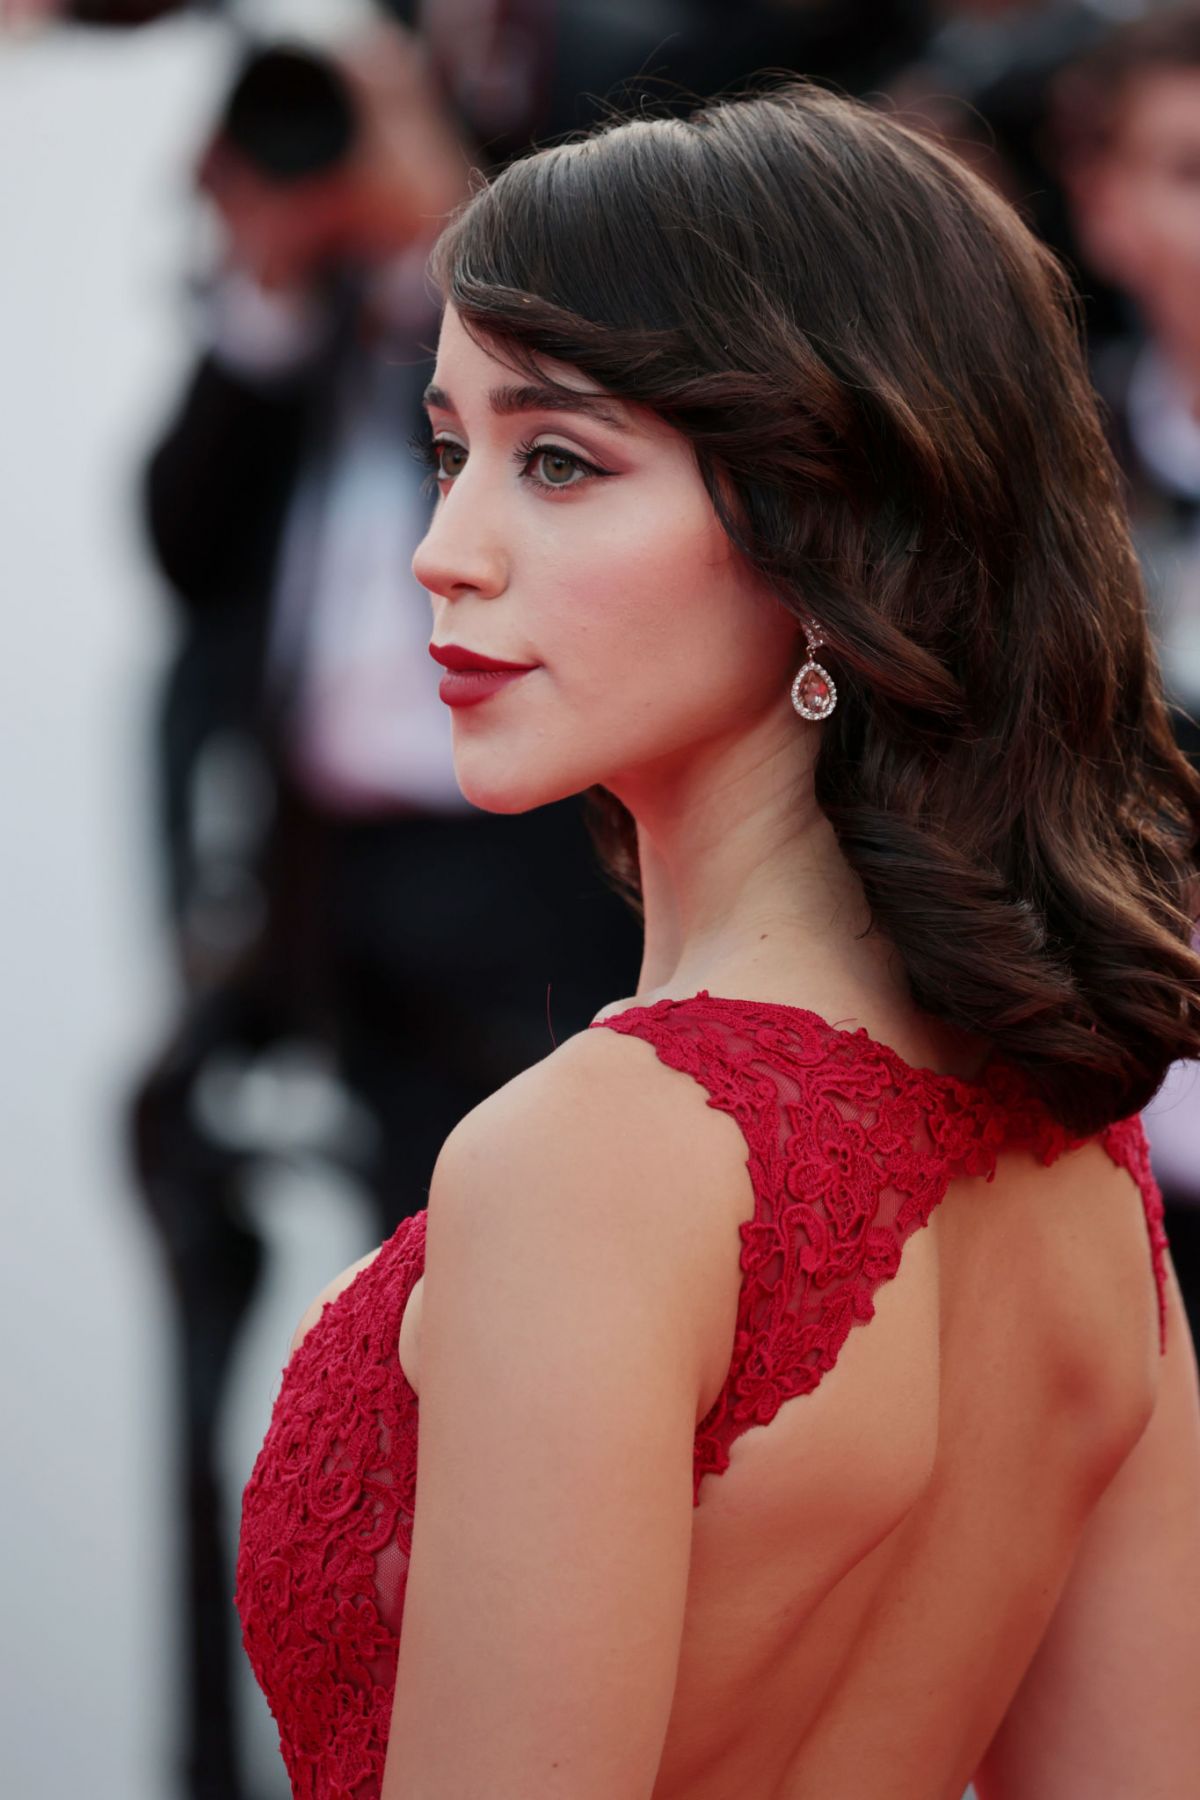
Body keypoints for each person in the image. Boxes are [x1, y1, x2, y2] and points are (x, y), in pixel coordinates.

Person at [234, 79, 1200, 1798]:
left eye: (560, 462)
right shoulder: (1086, 1162)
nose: (442, 553)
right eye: (448, 450)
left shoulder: (592, 1164)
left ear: (830, 531)